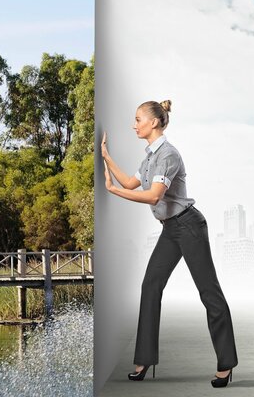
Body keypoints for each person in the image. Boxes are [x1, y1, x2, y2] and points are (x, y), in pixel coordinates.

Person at [102, 99, 238, 388]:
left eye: (138, 119)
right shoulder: (149, 157)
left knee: (208, 292)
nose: (133, 124)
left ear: (153, 122)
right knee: (150, 285)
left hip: (189, 227)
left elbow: (153, 196)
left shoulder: (169, 155)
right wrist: (106, 156)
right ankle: (144, 359)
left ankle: (226, 364)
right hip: (170, 229)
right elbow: (130, 183)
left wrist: (112, 190)